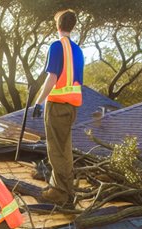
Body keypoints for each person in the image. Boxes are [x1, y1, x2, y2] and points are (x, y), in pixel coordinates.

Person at [31, 9, 83, 206]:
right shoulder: (77, 50)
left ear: (58, 25)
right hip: (72, 106)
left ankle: (60, 192)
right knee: (66, 148)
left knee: (55, 149)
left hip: (57, 105)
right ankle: (66, 188)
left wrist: (39, 101)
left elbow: (52, 77)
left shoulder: (56, 46)